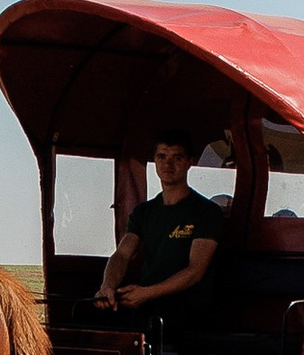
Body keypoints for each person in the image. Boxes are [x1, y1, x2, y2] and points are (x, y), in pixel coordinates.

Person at [97, 136, 227, 321]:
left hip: (188, 307)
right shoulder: (143, 212)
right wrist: (108, 286)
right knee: (89, 315)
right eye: (161, 156)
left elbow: (195, 271)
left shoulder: (206, 212)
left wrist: (147, 293)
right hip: (147, 302)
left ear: (190, 162)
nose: (168, 164)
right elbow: (122, 254)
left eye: (177, 158)